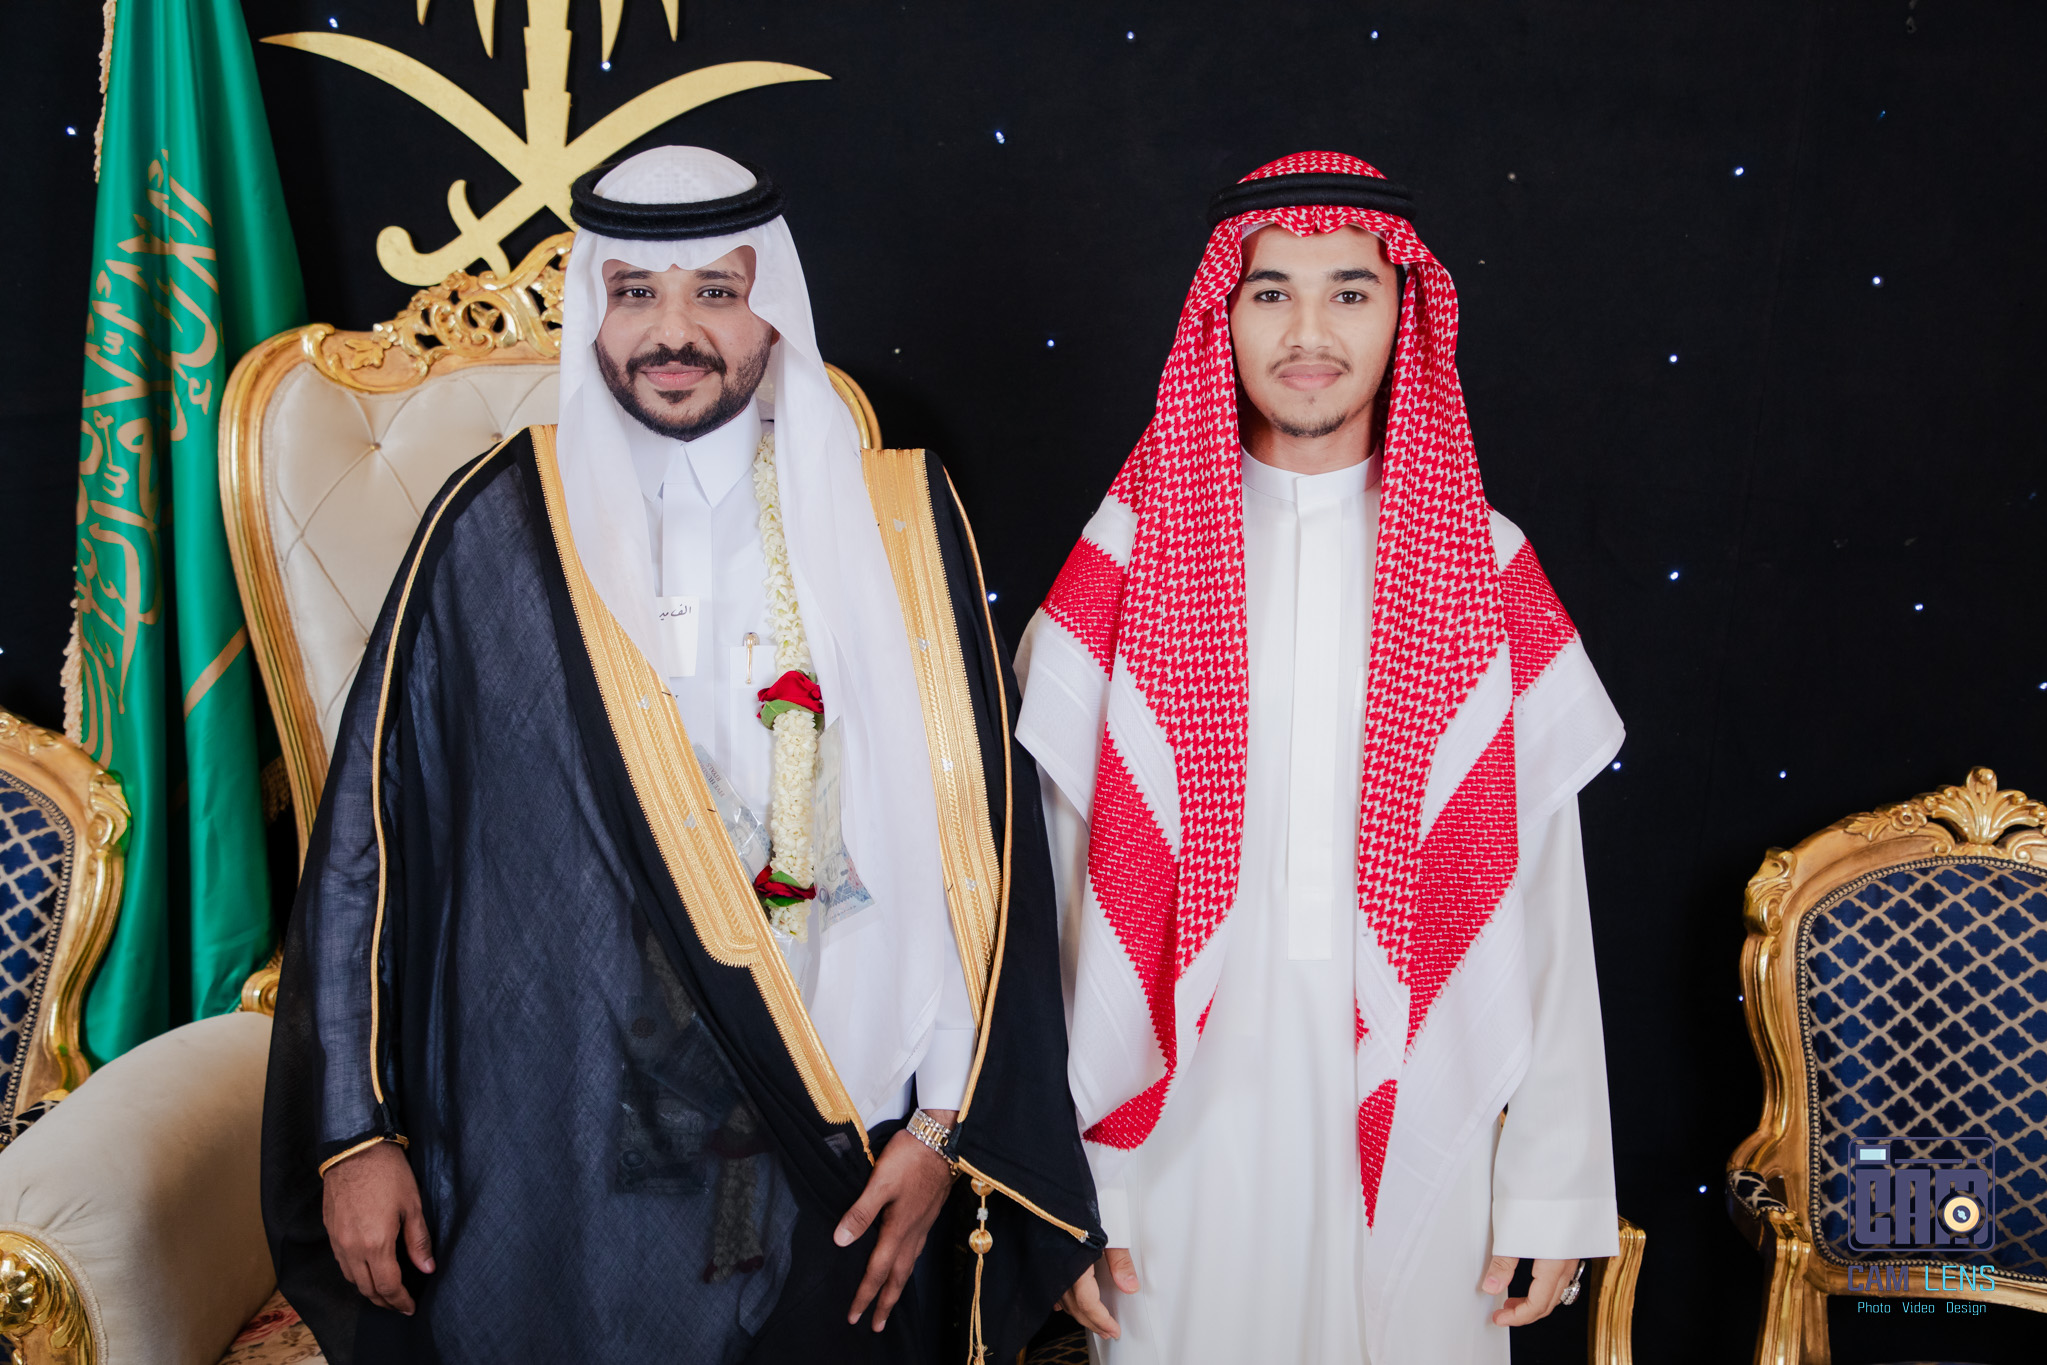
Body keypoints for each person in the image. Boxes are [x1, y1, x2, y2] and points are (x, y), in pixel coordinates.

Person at [261, 146, 1099, 1365]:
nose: (673, 331)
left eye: (716, 291)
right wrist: (354, 1135)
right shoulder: (494, 528)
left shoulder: (891, 525)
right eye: (635, 293)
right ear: (593, 308)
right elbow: (366, 852)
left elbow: (978, 852)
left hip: (848, 1140)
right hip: (564, 1153)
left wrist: (942, 1127)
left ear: (774, 309)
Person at [1016, 152, 1624, 1363]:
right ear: (1220, 316)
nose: (1307, 332)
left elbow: (1544, 894)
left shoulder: (1482, 562)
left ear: (1404, 315)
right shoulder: (1127, 557)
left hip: (1426, 1109)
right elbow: (1055, 890)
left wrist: (1553, 1181)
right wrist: (1062, 1188)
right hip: (1164, 1130)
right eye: (1269, 293)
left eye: (1349, 292)